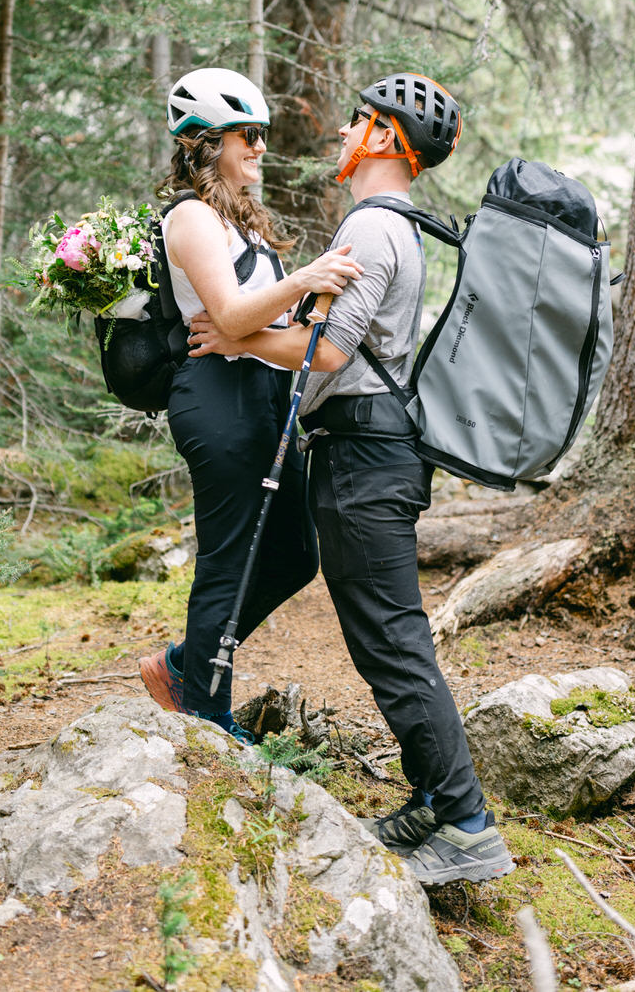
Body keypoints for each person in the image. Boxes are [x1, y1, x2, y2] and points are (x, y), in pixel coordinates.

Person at [188, 72, 514, 885]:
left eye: (359, 121)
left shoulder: (372, 229)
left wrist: (235, 342)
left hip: (367, 458)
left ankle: (466, 823)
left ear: (387, 139)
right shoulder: (386, 225)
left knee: (393, 640)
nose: (341, 132)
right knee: (383, 638)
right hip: (366, 452)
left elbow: (328, 352)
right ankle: (436, 803)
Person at [137, 67, 363, 741]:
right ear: (206, 143)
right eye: (248, 135)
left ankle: (184, 662)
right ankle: (206, 713)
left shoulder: (243, 223)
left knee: (296, 554)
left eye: (262, 134)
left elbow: (253, 321)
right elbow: (231, 316)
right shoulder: (190, 218)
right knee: (229, 559)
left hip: (263, 392)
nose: (262, 147)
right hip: (217, 396)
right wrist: (304, 278)